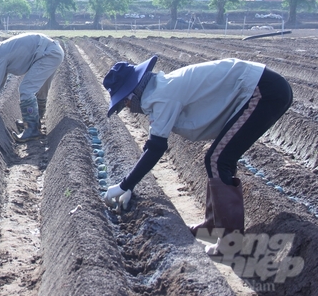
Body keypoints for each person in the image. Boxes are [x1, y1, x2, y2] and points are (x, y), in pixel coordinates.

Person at [101, 55, 293, 254]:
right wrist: (129, 185)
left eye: (124, 103)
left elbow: (156, 147)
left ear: (133, 94)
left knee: (218, 159)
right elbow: (153, 144)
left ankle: (231, 244)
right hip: (262, 87)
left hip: (264, 91)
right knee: (217, 158)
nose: (128, 109)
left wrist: (125, 185)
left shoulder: (162, 95)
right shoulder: (159, 89)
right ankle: (212, 225)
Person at [0, 33, 64, 143]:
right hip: (53, 50)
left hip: (48, 54)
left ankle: (32, 129)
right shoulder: (0, 49)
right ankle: (34, 122)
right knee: (41, 90)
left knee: (26, 89)